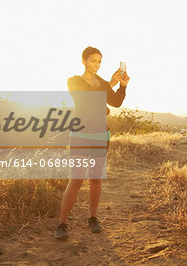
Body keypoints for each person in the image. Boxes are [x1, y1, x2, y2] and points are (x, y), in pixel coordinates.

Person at [54, 46, 130, 239]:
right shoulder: (74, 81)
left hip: (100, 134)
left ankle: (93, 218)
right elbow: (87, 100)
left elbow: (115, 102)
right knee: (77, 179)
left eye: (99, 61)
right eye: (93, 60)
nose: (96, 65)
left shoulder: (103, 83)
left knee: (95, 178)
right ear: (84, 61)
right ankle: (62, 224)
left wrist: (121, 86)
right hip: (80, 134)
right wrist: (109, 83)